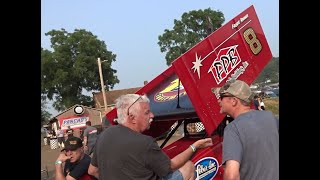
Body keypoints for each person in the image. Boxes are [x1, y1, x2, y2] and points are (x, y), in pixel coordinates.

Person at [88, 94, 213, 180]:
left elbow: (92, 171)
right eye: (147, 112)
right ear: (132, 117)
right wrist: (194, 146)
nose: (152, 115)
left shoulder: (104, 136)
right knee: (189, 167)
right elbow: (170, 166)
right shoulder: (144, 142)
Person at [214, 79, 279, 180]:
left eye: (221, 97)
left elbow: (232, 176)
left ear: (234, 101)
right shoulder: (270, 117)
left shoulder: (233, 129)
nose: (218, 100)